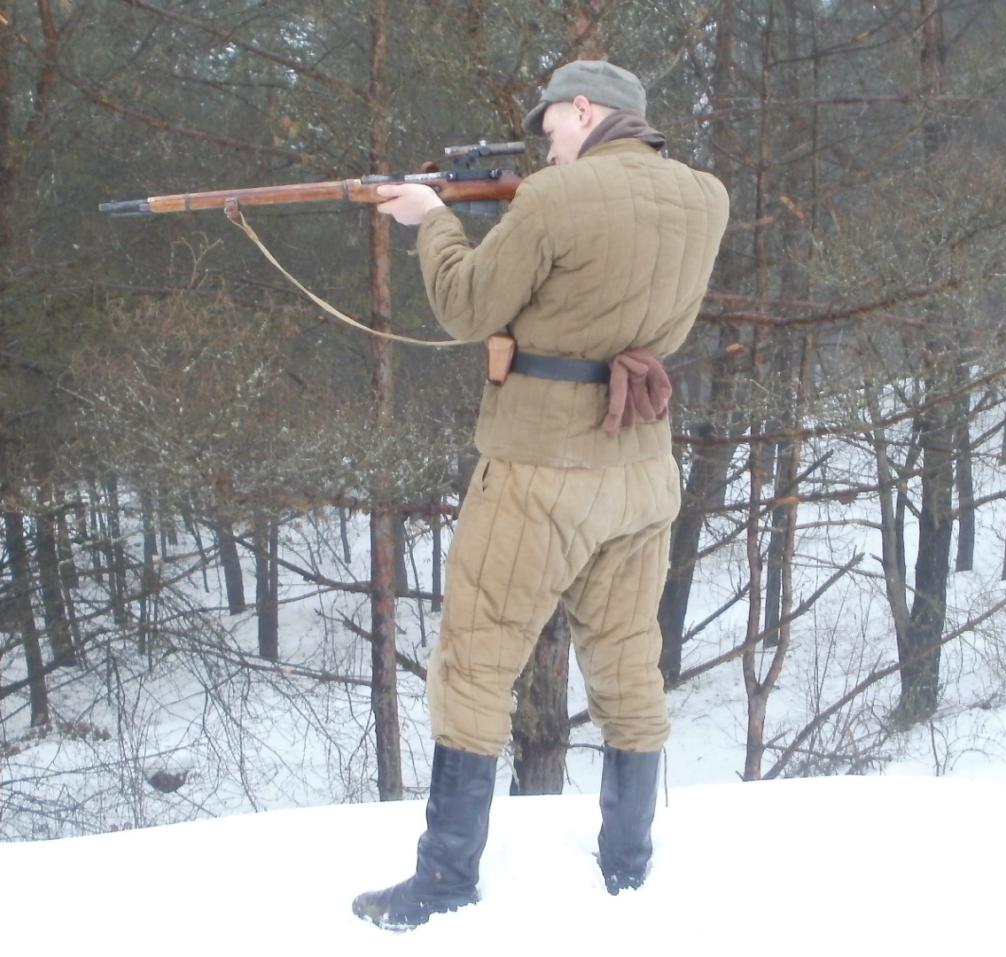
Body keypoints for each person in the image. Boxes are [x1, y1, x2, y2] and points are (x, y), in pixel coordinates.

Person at [353, 59, 729, 930]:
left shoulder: (556, 197)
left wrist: (433, 220)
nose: (546, 141)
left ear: (587, 109)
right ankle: (628, 867)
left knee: (477, 661)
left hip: (539, 467)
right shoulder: (705, 196)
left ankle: (446, 880)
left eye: (552, 122)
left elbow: (465, 304)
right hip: (641, 467)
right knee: (629, 664)